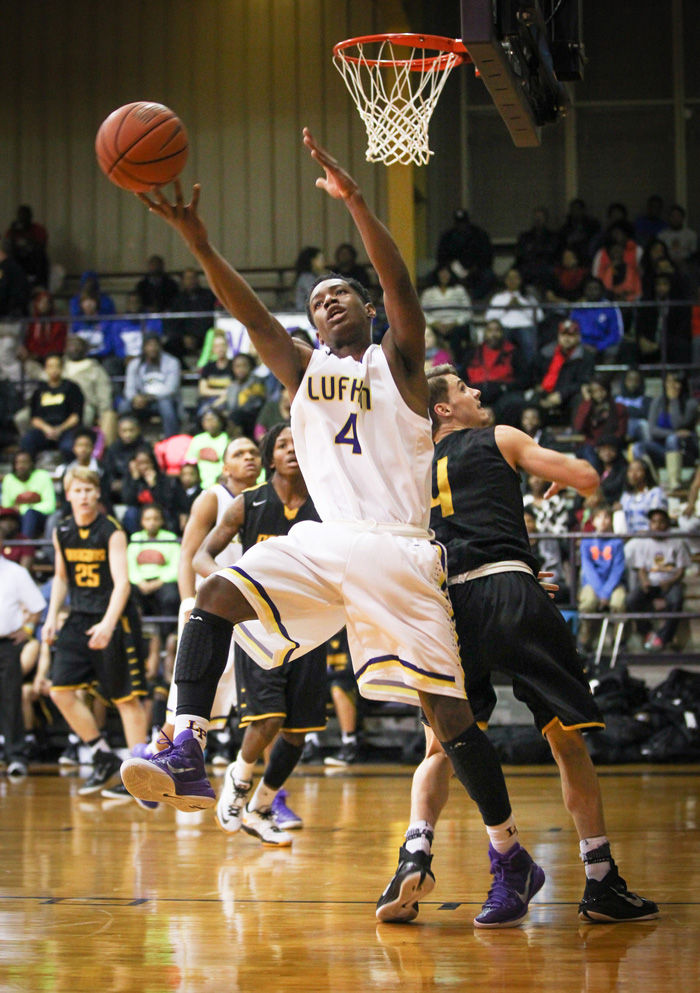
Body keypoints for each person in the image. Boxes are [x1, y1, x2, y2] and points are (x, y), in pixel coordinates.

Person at [121, 130, 545, 927]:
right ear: (312, 325)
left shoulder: (401, 364)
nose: (330, 300)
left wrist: (355, 203)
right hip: (324, 542)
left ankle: (510, 853)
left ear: (365, 309)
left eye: (341, 291)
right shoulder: (303, 373)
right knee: (211, 593)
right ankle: (184, 742)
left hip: (398, 553)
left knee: (450, 722)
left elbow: (399, 288)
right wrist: (202, 245)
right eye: (317, 299)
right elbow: (249, 317)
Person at [378, 365, 657, 925]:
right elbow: (583, 475)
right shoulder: (500, 436)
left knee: (443, 747)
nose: (477, 392)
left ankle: (416, 848)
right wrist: (567, 482)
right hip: (511, 594)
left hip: (447, 608)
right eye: (463, 389)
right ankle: (601, 880)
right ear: (443, 410)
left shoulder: (405, 472)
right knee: (565, 742)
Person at [195, 424, 327, 846]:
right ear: (271, 459)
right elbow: (202, 554)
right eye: (283, 445)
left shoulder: (326, 506)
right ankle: (239, 778)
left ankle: (262, 806)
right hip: (259, 627)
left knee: (298, 731)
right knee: (268, 717)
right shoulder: (247, 503)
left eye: (297, 444)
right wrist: (230, 588)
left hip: (310, 626)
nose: (292, 450)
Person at [43, 467, 148, 796]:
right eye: (78, 490)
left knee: (126, 699)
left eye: (90, 489)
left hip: (114, 618)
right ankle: (102, 755)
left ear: (98, 493)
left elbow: (123, 584)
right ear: (68, 494)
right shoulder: (62, 531)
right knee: (59, 690)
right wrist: (50, 617)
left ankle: (139, 775)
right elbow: (61, 577)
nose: (84, 496)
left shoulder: (112, 530)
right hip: (78, 616)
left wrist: (108, 623)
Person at [0, 555, 46, 776]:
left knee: (11, 699)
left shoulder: (16, 572)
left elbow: (37, 606)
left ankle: (15, 755)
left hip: (6, 643)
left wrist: (27, 630)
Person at [625, 507, 691, 651]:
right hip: (650, 583)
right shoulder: (643, 542)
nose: (657, 525)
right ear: (650, 524)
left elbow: (681, 571)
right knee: (632, 600)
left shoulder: (677, 542)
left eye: (661, 522)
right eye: (654, 522)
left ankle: (662, 638)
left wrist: (670, 582)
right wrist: (644, 581)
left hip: (671, 582)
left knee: (676, 599)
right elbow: (641, 568)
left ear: (667, 524)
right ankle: (648, 633)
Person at [633, 372, 698, 492]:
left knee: (672, 439)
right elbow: (652, 430)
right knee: (638, 447)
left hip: (684, 450)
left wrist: (674, 401)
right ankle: (651, 481)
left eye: (676, 382)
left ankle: (674, 483)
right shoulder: (657, 402)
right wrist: (674, 433)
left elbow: (678, 423)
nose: (672, 386)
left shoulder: (691, 404)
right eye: (669, 382)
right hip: (661, 448)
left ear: (682, 384)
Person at [577, 505, 627, 654]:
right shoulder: (586, 542)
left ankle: (618, 640)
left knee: (619, 602)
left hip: (613, 583)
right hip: (592, 583)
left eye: (606, 517)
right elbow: (588, 569)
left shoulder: (617, 543)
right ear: (593, 521)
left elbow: (617, 569)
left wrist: (606, 592)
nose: (603, 521)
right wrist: (599, 591)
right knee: (588, 603)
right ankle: (586, 639)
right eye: (599, 517)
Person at [529, 319, 595, 423]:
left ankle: (575, 435)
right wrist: (538, 387)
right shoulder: (546, 352)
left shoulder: (585, 356)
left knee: (580, 400)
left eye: (571, 335)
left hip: (568, 395)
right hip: (545, 393)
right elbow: (535, 373)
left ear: (578, 337)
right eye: (563, 335)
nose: (566, 339)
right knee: (529, 402)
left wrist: (562, 394)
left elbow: (584, 382)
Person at [119, 332, 182, 438]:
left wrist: (148, 398)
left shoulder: (172, 362)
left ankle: (170, 439)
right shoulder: (135, 364)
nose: (152, 348)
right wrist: (135, 398)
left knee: (166, 405)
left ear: (160, 346)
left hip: (162, 400)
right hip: (141, 402)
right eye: (149, 345)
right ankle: (127, 437)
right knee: (123, 405)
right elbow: (129, 389)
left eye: (155, 345)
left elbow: (171, 389)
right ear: (143, 347)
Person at [21, 353, 84, 459]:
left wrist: (59, 429)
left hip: (66, 429)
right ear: (45, 369)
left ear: (62, 368)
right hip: (45, 430)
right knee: (27, 441)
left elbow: (76, 416)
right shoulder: (39, 390)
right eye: (50, 366)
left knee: (68, 446)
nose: (54, 370)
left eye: (57, 366)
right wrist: (47, 429)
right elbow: (34, 418)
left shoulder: (72, 388)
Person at [62, 333, 117, 446]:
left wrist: (102, 414)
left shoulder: (95, 369)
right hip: (57, 404)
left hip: (85, 406)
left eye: (78, 345)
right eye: (71, 345)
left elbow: (104, 394)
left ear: (85, 349)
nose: (74, 348)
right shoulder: (59, 367)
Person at [484, 266, 543, 369]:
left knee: (528, 342)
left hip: (525, 327)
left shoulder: (528, 298)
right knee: (501, 340)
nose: (512, 281)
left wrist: (522, 306)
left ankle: (529, 373)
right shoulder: (499, 298)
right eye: (510, 278)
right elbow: (488, 317)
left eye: (515, 278)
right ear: (505, 281)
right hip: (504, 328)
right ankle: (502, 370)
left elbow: (540, 317)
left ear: (520, 280)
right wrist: (506, 308)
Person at [436, 208, 495, 301]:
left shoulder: (480, 234)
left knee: (488, 276)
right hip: (453, 272)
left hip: (477, 271)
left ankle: (471, 299)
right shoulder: (447, 236)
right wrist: (453, 268)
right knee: (435, 276)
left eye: (463, 223)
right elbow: (441, 258)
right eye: (458, 223)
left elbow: (487, 257)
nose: (461, 226)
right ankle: (451, 300)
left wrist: (474, 269)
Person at [419, 265, 472, 369]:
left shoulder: (459, 290)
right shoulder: (428, 292)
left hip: (456, 325)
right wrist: (435, 323)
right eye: (442, 273)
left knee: (458, 335)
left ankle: (457, 365)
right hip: (434, 325)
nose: (444, 275)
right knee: (428, 334)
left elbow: (467, 311)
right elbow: (422, 311)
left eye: (447, 273)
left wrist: (455, 323)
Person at [1, 450, 56, 540]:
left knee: (30, 514)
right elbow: (6, 506)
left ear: (32, 464)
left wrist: (24, 508)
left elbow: (50, 506)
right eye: (17, 463)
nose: (21, 466)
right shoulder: (8, 479)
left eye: (24, 462)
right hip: (17, 518)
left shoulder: (43, 476)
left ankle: (26, 546)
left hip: (40, 517)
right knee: (6, 521)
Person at [569, 278, 624, 359]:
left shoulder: (610, 307)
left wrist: (599, 346)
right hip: (583, 344)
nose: (592, 292)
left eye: (595, 289)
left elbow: (616, 334)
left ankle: (606, 371)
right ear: (584, 291)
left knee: (613, 349)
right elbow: (572, 332)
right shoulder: (578, 308)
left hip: (605, 343)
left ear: (602, 291)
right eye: (589, 289)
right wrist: (584, 345)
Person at [184, 408, 230, 489]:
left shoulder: (227, 439)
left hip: (221, 484)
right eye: (206, 420)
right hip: (199, 485)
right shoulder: (197, 439)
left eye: (213, 419)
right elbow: (190, 462)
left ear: (220, 421)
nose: (210, 423)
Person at [4, 205, 48, 289]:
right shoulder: (12, 231)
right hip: (18, 260)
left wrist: (26, 234)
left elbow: (41, 246)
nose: (22, 219)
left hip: (34, 260)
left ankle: (39, 286)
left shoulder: (38, 229)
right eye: (20, 216)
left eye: (25, 216)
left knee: (41, 257)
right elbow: (7, 248)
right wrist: (14, 233)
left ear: (30, 217)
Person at [293, 246, 326, 311]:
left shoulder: (313, 276)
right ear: (312, 261)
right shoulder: (306, 278)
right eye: (321, 259)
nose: (324, 262)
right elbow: (317, 295)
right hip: (303, 313)